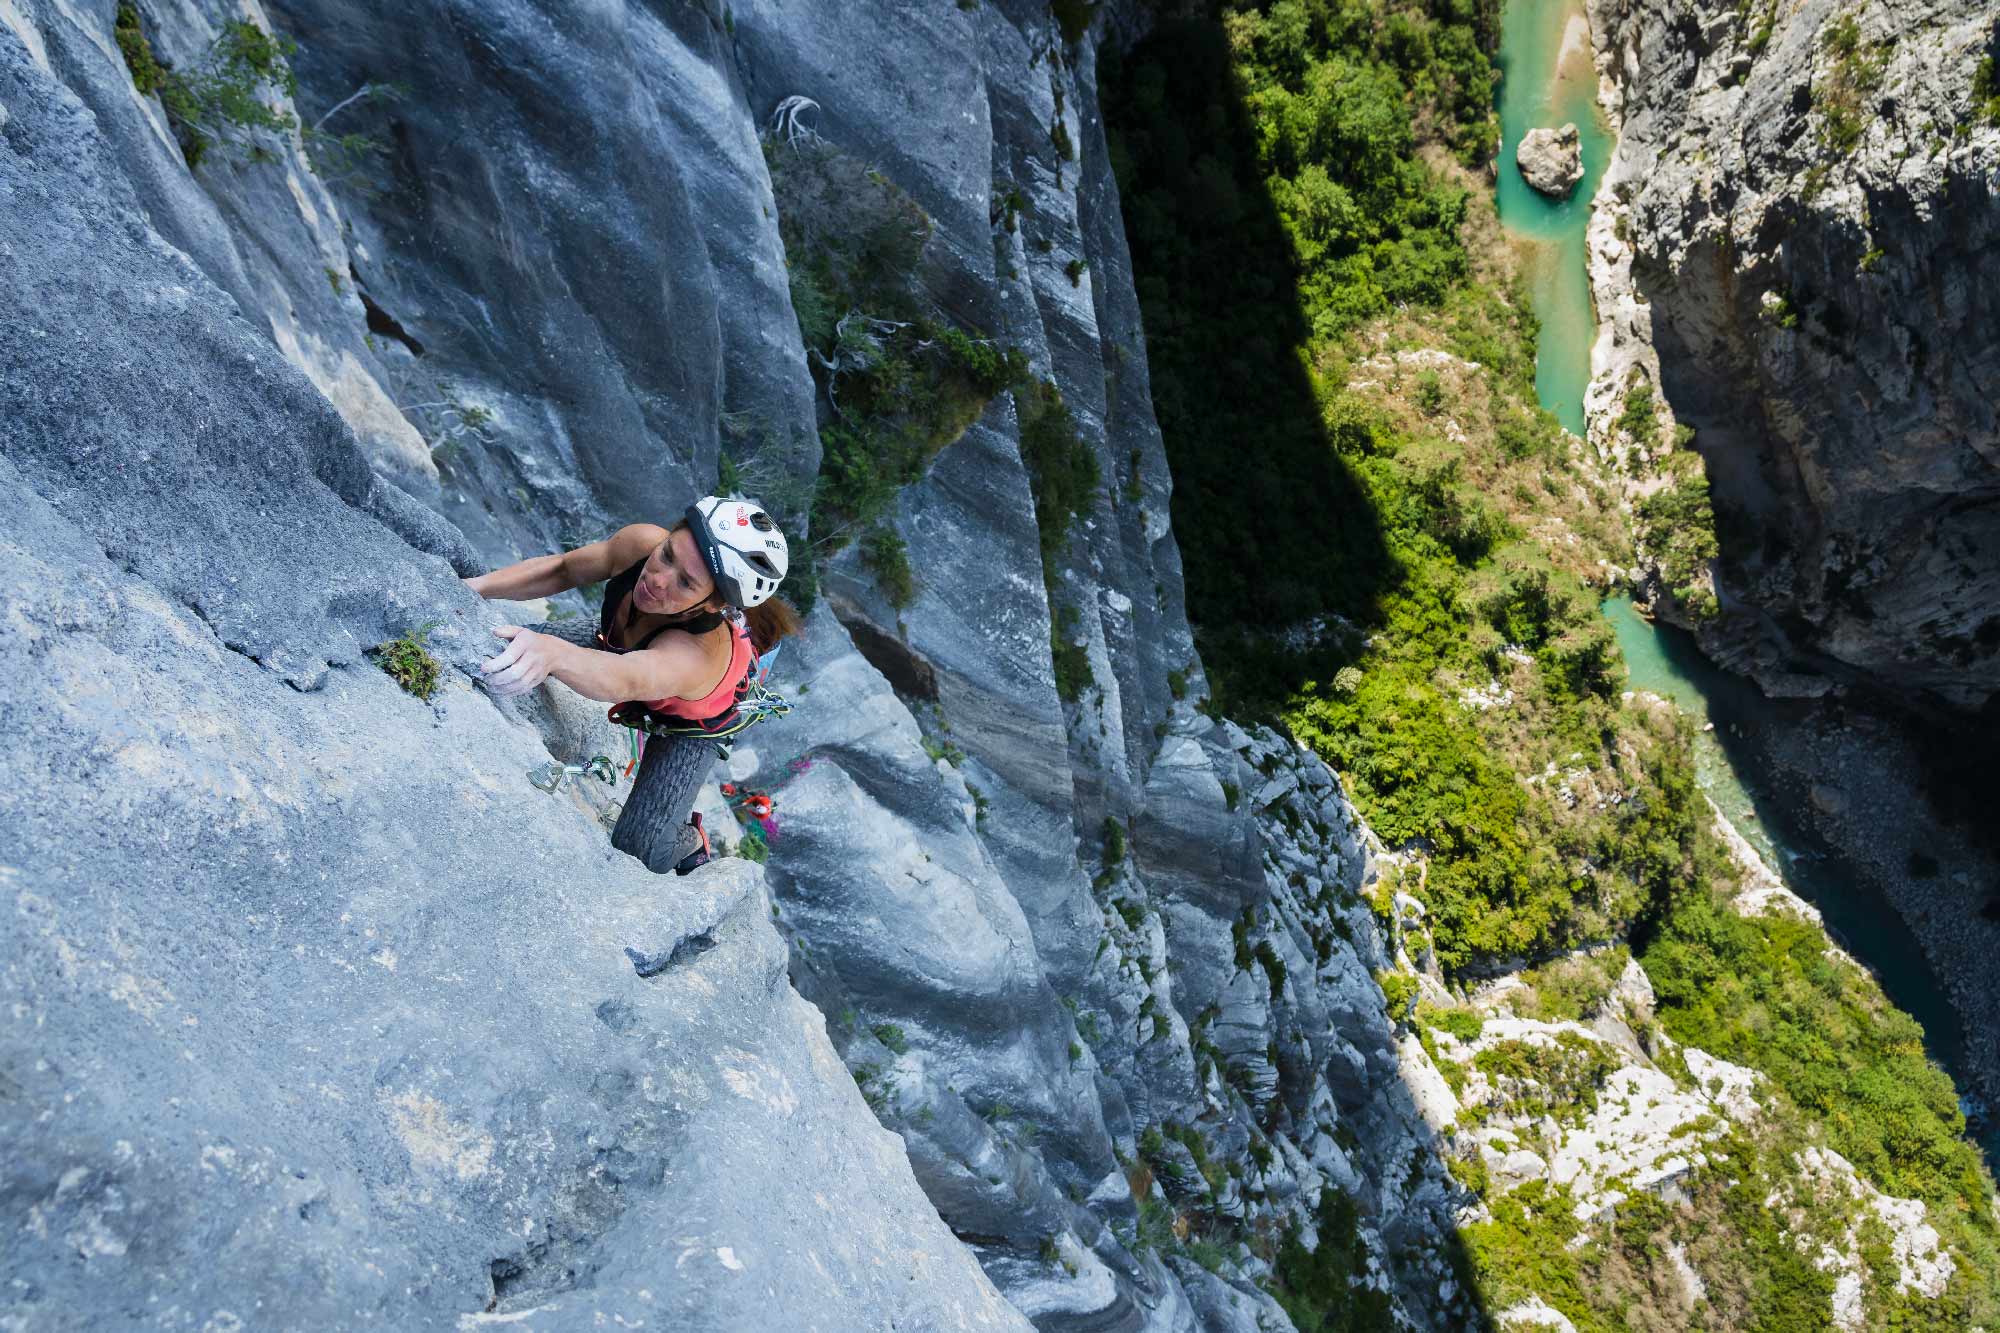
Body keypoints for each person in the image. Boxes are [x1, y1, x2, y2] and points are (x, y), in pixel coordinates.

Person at [465, 496, 801, 874]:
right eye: (668, 554)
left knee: (641, 847)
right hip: (617, 641)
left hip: (691, 725)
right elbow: (561, 569)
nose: (657, 580)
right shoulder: (640, 544)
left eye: (686, 583)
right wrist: (472, 588)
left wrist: (553, 655)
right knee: (509, 648)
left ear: (712, 605)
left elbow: (625, 677)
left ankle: (691, 840)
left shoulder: (697, 654)